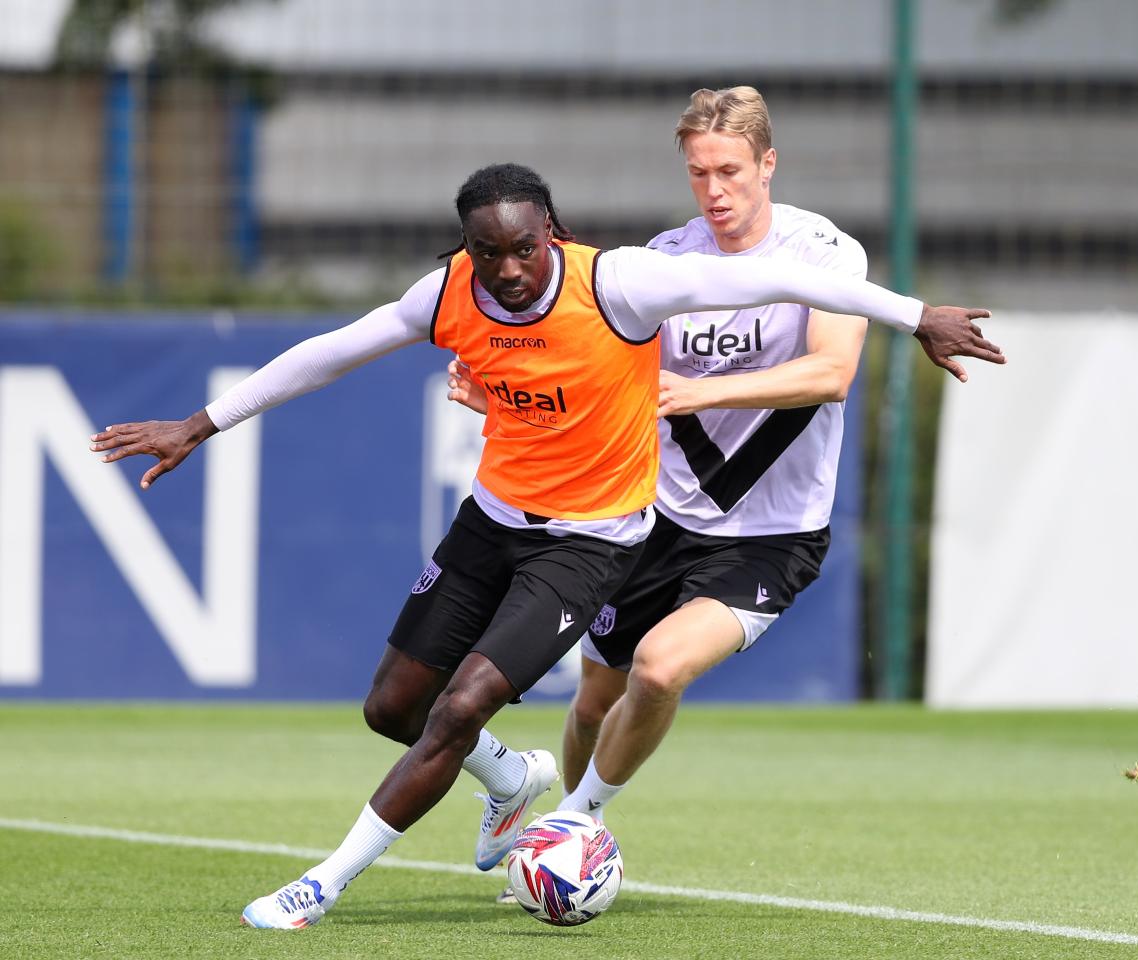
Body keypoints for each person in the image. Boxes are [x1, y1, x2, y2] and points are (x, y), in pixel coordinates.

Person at [91, 161, 1000, 930]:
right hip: (491, 523)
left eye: (526, 247)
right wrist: (201, 424)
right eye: (490, 253)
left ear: (552, 233)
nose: (512, 268)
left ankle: (321, 882)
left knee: (462, 705)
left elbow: (789, 283)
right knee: (395, 709)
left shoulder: (621, 285)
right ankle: (513, 777)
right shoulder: (447, 294)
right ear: (466, 251)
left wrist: (913, 314)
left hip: (591, 543)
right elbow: (332, 350)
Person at [454, 88, 1005, 904]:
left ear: (767, 164)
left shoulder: (823, 254)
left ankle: (566, 832)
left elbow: (831, 374)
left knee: (659, 665)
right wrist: (503, 395)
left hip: (771, 535)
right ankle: (561, 833)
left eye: (731, 170)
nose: (715, 190)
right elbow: (601, 377)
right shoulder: (670, 259)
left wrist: (696, 393)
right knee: (593, 698)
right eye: (699, 172)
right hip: (657, 520)